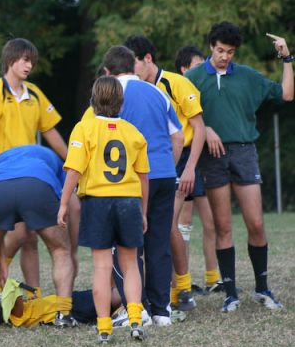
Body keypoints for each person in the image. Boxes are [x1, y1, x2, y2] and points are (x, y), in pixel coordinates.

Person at [185, 22, 293, 312]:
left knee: (256, 224)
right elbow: (180, 114)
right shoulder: (194, 77)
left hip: (245, 152)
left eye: (230, 52)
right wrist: (205, 128)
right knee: (222, 227)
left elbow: (286, 94)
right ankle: (230, 294)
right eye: (220, 50)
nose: (225, 56)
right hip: (213, 156)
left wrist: (287, 58)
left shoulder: (247, 76)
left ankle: (262, 289)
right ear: (211, 46)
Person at [85, 46, 183, 326]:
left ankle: (136, 310)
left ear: (107, 72)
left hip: (130, 181)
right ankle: (162, 310)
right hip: (164, 174)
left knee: (126, 247)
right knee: (159, 242)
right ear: (133, 65)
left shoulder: (109, 94)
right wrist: (167, 166)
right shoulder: (157, 92)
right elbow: (178, 138)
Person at [60, 76, 149, 343]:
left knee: (102, 266)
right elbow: (143, 176)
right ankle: (135, 319)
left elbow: (74, 170)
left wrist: (63, 203)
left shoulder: (84, 129)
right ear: (121, 103)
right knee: (131, 263)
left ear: (93, 101)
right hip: (129, 200)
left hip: (98, 201)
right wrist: (143, 211)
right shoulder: (133, 132)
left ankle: (104, 327)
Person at [0, 38, 68, 298]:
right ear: (10, 60)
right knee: (11, 237)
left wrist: (72, 163)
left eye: (32, 61)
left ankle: (34, 295)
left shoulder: (35, 94)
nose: (29, 66)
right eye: (25, 60)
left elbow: (51, 132)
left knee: (30, 238)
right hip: (3, 177)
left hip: (30, 176)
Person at [124, 35, 206, 311]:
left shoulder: (175, 83)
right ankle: (155, 292)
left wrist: (189, 167)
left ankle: (183, 289)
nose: (130, 69)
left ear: (147, 59)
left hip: (176, 158)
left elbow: (199, 127)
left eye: (133, 62)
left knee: (166, 226)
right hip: (148, 162)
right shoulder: (131, 89)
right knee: (147, 228)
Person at [0, 145, 75, 330]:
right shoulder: (51, 158)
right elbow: (65, 198)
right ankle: (63, 314)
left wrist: (2, 263)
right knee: (60, 250)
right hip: (37, 185)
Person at [174, 45, 223, 294]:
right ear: (184, 70)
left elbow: (203, 122)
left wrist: (210, 129)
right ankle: (182, 280)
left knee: (211, 221)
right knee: (181, 225)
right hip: (180, 156)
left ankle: (213, 278)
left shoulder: (200, 91)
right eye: (195, 67)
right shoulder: (173, 90)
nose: (201, 70)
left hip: (197, 156)